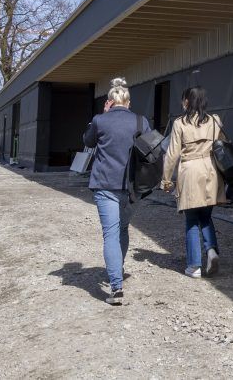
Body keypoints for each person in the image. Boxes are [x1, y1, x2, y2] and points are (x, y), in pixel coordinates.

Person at [83, 77, 151, 306]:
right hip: (133, 187)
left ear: (109, 102)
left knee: (110, 233)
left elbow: (88, 142)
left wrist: (101, 116)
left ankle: (116, 285)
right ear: (128, 102)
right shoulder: (141, 122)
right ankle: (117, 269)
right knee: (122, 228)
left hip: (105, 184)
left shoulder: (100, 121)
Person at [160, 86, 226, 278]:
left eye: (183, 99)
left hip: (190, 171)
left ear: (187, 102)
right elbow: (221, 146)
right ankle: (211, 250)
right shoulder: (215, 120)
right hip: (211, 172)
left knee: (191, 220)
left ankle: (194, 266)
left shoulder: (180, 123)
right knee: (206, 216)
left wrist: (166, 179)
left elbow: (172, 154)